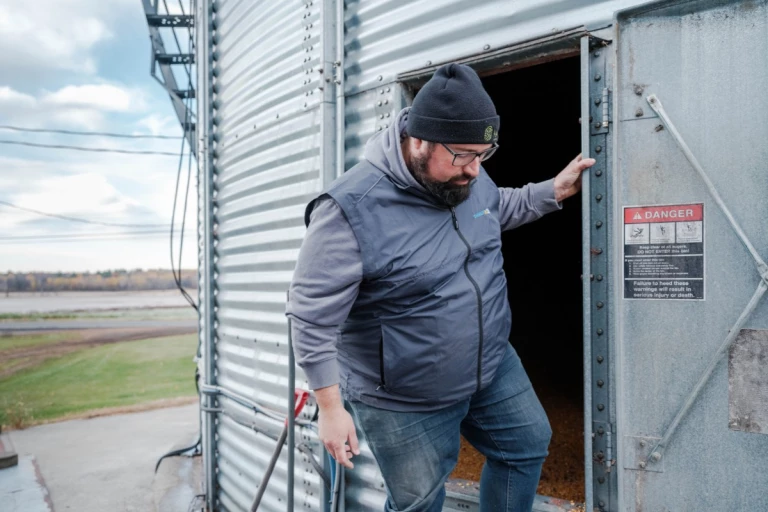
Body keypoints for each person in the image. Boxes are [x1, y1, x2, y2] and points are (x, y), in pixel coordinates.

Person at [286, 63, 595, 512]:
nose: (474, 169)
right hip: (405, 398)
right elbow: (310, 318)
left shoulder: (465, 173)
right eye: (463, 155)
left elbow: (494, 209)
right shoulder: (350, 209)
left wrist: (553, 190)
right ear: (419, 141)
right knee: (419, 502)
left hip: (489, 366)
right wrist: (331, 410)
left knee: (526, 446)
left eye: (483, 154)